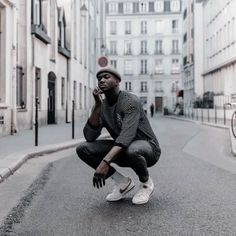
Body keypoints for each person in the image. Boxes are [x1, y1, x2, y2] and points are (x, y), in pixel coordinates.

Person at [76, 67, 161, 205]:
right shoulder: (101, 106)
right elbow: (89, 136)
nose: (102, 80)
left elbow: (127, 136)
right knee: (83, 149)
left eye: (106, 77)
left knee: (132, 149)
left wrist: (105, 162)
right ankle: (122, 183)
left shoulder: (129, 101)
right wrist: (97, 106)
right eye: (99, 79)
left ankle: (146, 183)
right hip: (123, 150)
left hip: (147, 149)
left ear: (117, 81)